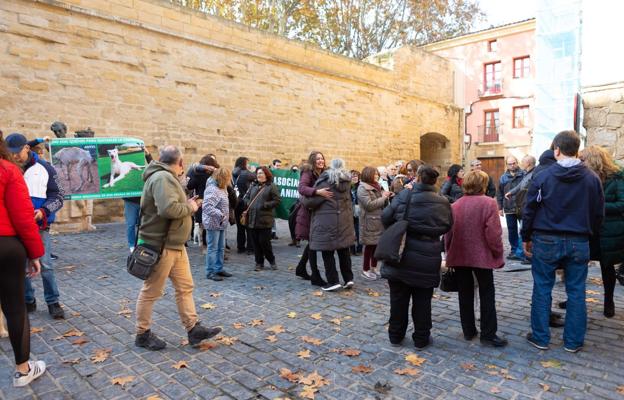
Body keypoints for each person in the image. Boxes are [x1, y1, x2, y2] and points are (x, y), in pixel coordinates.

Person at [522, 131, 604, 353]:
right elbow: (599, 214)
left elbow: (529, 209)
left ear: (556, 149)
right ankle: (573, 341)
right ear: (576, 149)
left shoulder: (543, 176)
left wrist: (526, 237)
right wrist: (590, 236)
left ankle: (540, 337)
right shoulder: (591, 178)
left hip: (547, 238)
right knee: (576, 291)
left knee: (542, 287)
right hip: (578, 240)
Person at [134, 145, 221, 350]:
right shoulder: (162, 178)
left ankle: (193, 329)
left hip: (175, 245)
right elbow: (168, 209)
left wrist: (186, 202)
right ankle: (142, 334)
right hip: (161, 245)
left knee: (185, 288)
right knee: (151, 291)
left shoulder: (164, 176)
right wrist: (190, 207)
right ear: (180, 163)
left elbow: (171, 204)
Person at [381, 165, 452, 348]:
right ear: (434, 181)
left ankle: (395, 335)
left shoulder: (405, 195)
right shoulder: (443, 201)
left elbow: (386, 217)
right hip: (428, 255)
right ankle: (421, 338)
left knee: (398, 299)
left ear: (418, 178)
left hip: (402, 253)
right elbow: (447, 225)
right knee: (423, 301)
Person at [0, 131, 46, 387]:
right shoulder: (7, 170)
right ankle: (23, 369)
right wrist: (34, 253)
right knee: (15, 307)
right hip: (5, 244)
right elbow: (22, 216)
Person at [445, 170, 507, 347]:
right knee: (487, 293)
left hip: (460, 254)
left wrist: (449, 251)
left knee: (465, 293)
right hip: (482, 256)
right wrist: (498, 253)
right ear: (483, 184)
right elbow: (494, 234)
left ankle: (468, 330)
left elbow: (448, 233)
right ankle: (488, 334)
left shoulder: (455, 205)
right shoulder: (488, 203)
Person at [6, 133, 65, 320]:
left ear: (26, 148)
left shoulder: (46, 168)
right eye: (11, 153)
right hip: (13, 227)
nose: (15, 156)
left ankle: (53, 301)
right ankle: (28, 299)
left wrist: (44, 211)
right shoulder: (7, 169)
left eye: (17, 152)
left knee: (46, 264)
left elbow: (58, 196)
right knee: (20, 265)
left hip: (38, 225)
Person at [579, 146, 624, 318]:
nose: (580, 163)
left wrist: (599, 208)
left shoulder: (617, 177)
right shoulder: (585, 177)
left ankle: (609, 302)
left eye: (583, 159)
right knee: (578, 266)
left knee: (607, 267)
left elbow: (622, 204)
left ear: (594, 160)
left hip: (609, 231)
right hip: (589, 229)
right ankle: (576, 300)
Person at [304, 159, 355, 292]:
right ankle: (348, 279)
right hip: (344, 221)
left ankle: (333, 281)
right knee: (344, 251)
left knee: (328, 251)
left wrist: (303, 198)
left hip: (327, 221)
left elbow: (311, 202)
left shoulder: (326, 181)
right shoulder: (347, 182)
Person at [294, 151, 332, 286]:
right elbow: (302, 188)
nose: (320, 161)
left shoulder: (325, 173)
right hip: (308, 212)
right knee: (313, 243)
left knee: (312, 243)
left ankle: (301, 268)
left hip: (318, 212)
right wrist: (317, 192)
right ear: (312, 161)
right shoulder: (308, 172)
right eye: (317, 159)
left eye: (322, 158)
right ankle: (315, 275)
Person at [242, 166, 281, 271]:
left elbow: (277, 200)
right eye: (258, 173)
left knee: (264, 243)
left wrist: (266, 205)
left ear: (266, 175)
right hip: (252, 219)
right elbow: (245, 197)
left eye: (261, 173)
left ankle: (271, 260)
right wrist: (248, 202)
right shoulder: (253, 185)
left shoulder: (271, 186)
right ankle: (259, 263)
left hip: (265, 220)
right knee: (255, 243)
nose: (259, 175)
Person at [357, 166, 391, 280]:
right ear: (368, 175)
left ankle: (374, 268)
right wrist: (383, 197)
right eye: (374, 174)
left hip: (378, 220)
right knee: (369, 246)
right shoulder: (362, 188)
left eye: (377, 174)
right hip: (369, 221)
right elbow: (369, 205)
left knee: (376, 245)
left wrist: (388, 196)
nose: (376, 176)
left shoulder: (377, 186)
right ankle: (365, 269)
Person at [203, 167, 233, 281]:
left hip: (221, 223)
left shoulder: (222, 188)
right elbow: (207, 207)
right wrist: (220, 214)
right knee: (213, 248)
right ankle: (210, 272)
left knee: (221, 247)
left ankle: (218, 268)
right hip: (213, 223)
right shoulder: (212, 189)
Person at [122, 148, 153, 253]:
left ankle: (141, 243)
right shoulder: (126, 167)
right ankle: (131, 245)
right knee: (131, 224)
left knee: (143, 224)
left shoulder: (146, 169)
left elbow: (155, 166)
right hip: (130, 201)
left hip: (143, 200)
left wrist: (148, 155)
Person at [187, 154, 219, 253]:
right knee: (214, 225)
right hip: (216, 201)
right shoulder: (217, 173)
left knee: (202, 225)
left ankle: (204, 246)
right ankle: (215, 246)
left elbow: (190, 186)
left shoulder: (198, 174)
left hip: (201, 201)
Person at [496, 155, 526, 261]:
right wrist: (500, 208)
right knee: (512, 230)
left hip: (521, 207)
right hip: (509, 207)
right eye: (510, 164)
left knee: (523, 229)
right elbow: (499, 193)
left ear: (517, 163)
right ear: (507, 165)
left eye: (514, 163)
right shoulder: (503, 177)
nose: (512, 165)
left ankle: (522, 250)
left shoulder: (524, 174)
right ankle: (514, 250)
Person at [233, 157, 256, 254]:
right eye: (247, 163)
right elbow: (256, 177)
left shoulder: (234, 173)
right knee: (249, 226)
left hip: (237, 202)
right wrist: (254, 170)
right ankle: (250, 248)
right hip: (246, 203)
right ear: (244, 163)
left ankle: (240, 247)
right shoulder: (246, 173)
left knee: (240, 227)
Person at [350, 170, 362, 256]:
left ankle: (359, 249)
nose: (354, 178)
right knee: (350, 230)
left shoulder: (361, 186)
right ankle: (351, 249)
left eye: (356, 176)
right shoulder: (347, 187)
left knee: (358, 230)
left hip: (359, 210)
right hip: (349, 210)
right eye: (352, 176)